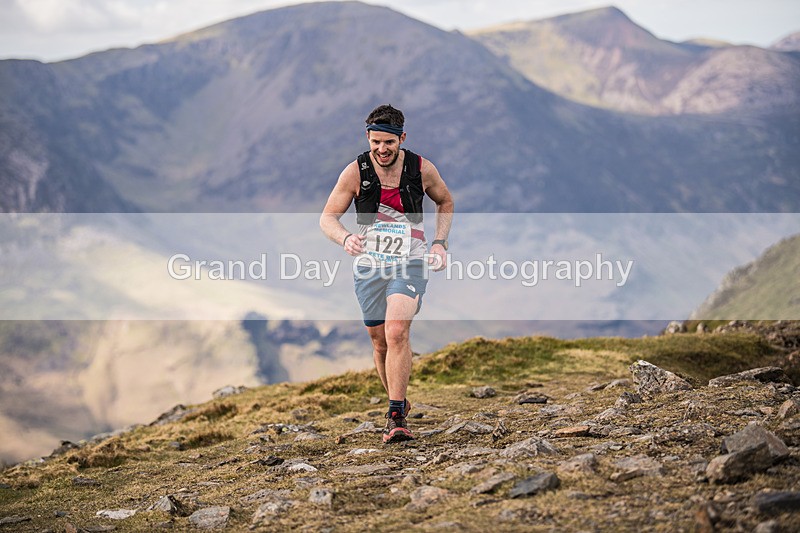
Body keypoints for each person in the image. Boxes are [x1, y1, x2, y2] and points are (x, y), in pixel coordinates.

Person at [320, 104, 453, 443]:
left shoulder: (421, 169)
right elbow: (327, 218)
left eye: (388, 143)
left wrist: (439, 243)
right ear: (368, 138)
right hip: (369, 265)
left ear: (401, 139)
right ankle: (399, 398)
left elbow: (445, 201)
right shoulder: (355, 172)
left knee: (396, 332)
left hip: (410, 260)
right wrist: (346, 238)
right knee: (379, 343)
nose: (381, 149)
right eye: (375, 142)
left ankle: (396, 416)